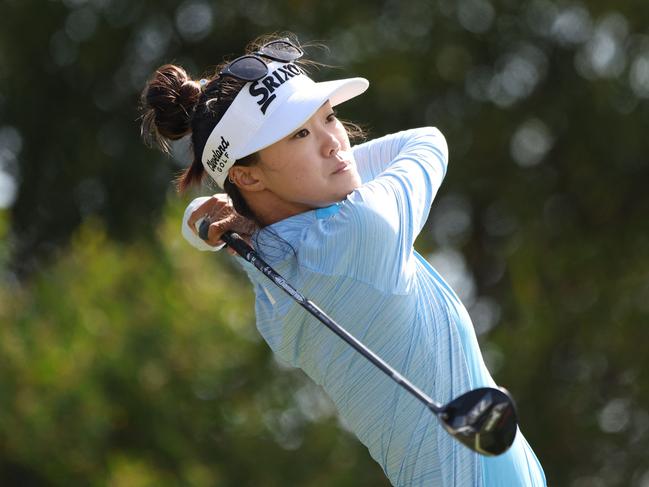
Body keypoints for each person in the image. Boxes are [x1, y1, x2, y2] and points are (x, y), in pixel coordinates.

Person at [140, 33, 546, 487]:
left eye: (329, 117)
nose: (335, 143)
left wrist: (215, 213)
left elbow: (213, 218)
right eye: (299, 134)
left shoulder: (268, 259)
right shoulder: (364, 229)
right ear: (247, 175)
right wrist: (217, 212)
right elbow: (427, 142)